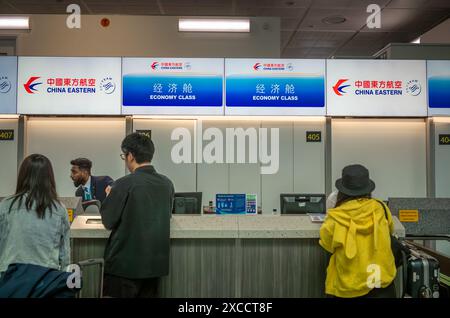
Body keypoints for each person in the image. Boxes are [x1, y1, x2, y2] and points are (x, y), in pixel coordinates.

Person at [100, 133, 174, 298]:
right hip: (154, 267)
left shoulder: (122, 184)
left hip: (123, 267)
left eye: (124, 156)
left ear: (130, 156)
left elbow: (108, 221)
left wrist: (108, 197)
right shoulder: (167, 184)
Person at [319, 164, 397, 298]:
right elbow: (390, 230)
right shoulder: (381, 208)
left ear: (342, 191)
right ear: (368, 189)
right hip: (380, 281)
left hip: (349, 285)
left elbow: (327, 244)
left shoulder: (335, 217)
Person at [0, 154, 70, 279]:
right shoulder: (59, 209)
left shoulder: (6, 205)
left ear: (22, 176)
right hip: (45, 280)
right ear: (49, 178)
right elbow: (64, 256)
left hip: (10, 279)